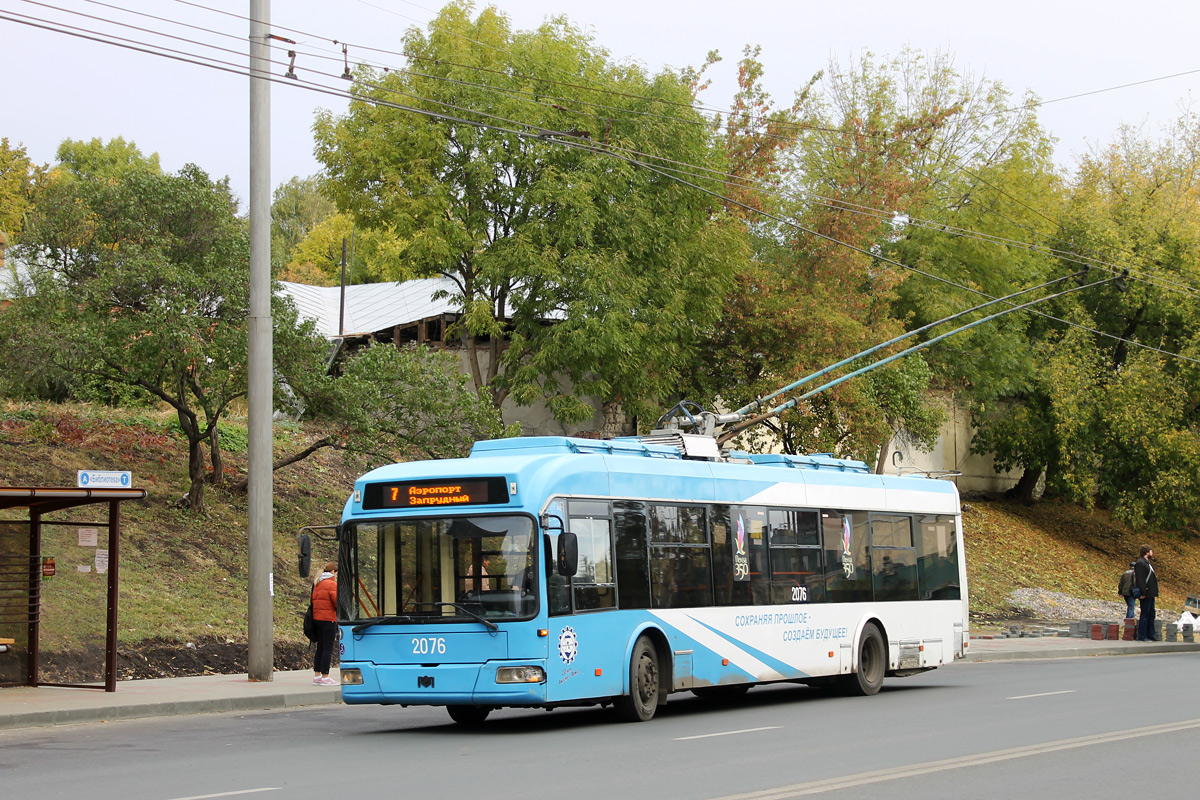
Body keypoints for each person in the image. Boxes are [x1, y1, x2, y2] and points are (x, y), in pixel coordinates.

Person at [311, 561, 339, 685]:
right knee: (327, 649)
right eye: (336, 572)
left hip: (317, 619)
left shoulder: (318, 583)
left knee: (320, 648)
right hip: (328, 620)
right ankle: (325, 677)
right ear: (333, 571)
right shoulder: (332, 584)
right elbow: (337, 602)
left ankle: (317, 676)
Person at [1133, 546, 1159, 642]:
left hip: (1151, 593)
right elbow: (1140, 579)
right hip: (1146, 592)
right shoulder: (1140, 563)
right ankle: (1142, 635)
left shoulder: (1147, 563)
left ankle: (1151, 634)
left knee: (1151, 614)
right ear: (1147, 552)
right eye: (1151, 551)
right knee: (1145, 614)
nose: (1152, 553)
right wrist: (1143, 592)